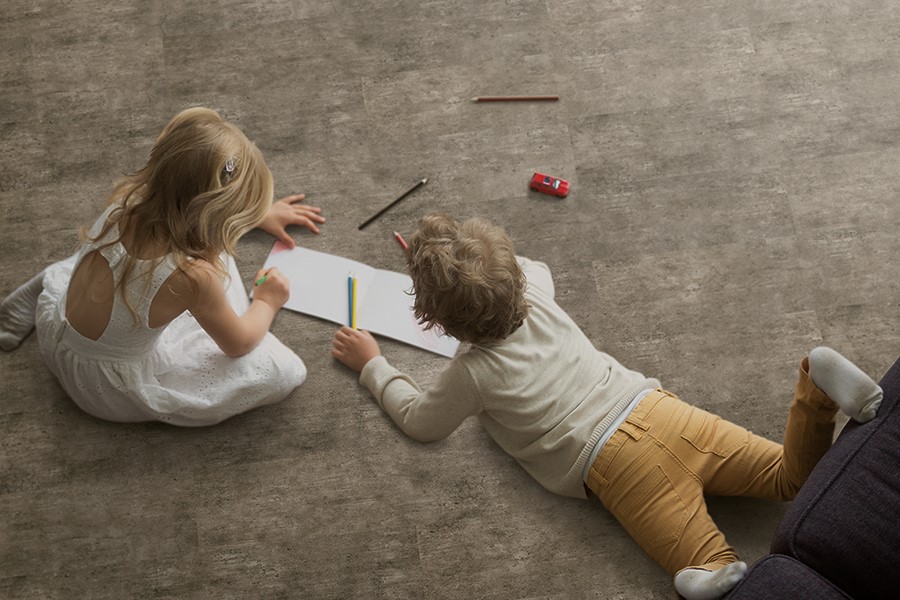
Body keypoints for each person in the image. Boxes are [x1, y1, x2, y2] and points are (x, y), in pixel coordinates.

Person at [330, 213, 883, 600]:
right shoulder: (538, 289)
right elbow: (517, 267)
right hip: (662, 410)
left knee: (698, 555)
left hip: (613, 463)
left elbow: (421, 423)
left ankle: (709, 568)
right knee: (790, 478)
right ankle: (814, 384)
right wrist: (453, 256)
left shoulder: (472, 372)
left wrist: (374, 365)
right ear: (513, 278)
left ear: (437, 321)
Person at [0, 107, 326, 426]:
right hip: (99, 386)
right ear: (217, 218)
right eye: (235, 219)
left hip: (58, 331)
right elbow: (239, 343)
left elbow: (187, 202)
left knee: (116, 267)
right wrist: (267, 301)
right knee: (284, 369)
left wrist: (253, 215)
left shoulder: (127, 201)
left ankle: (43, 289)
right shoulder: (193, 277)